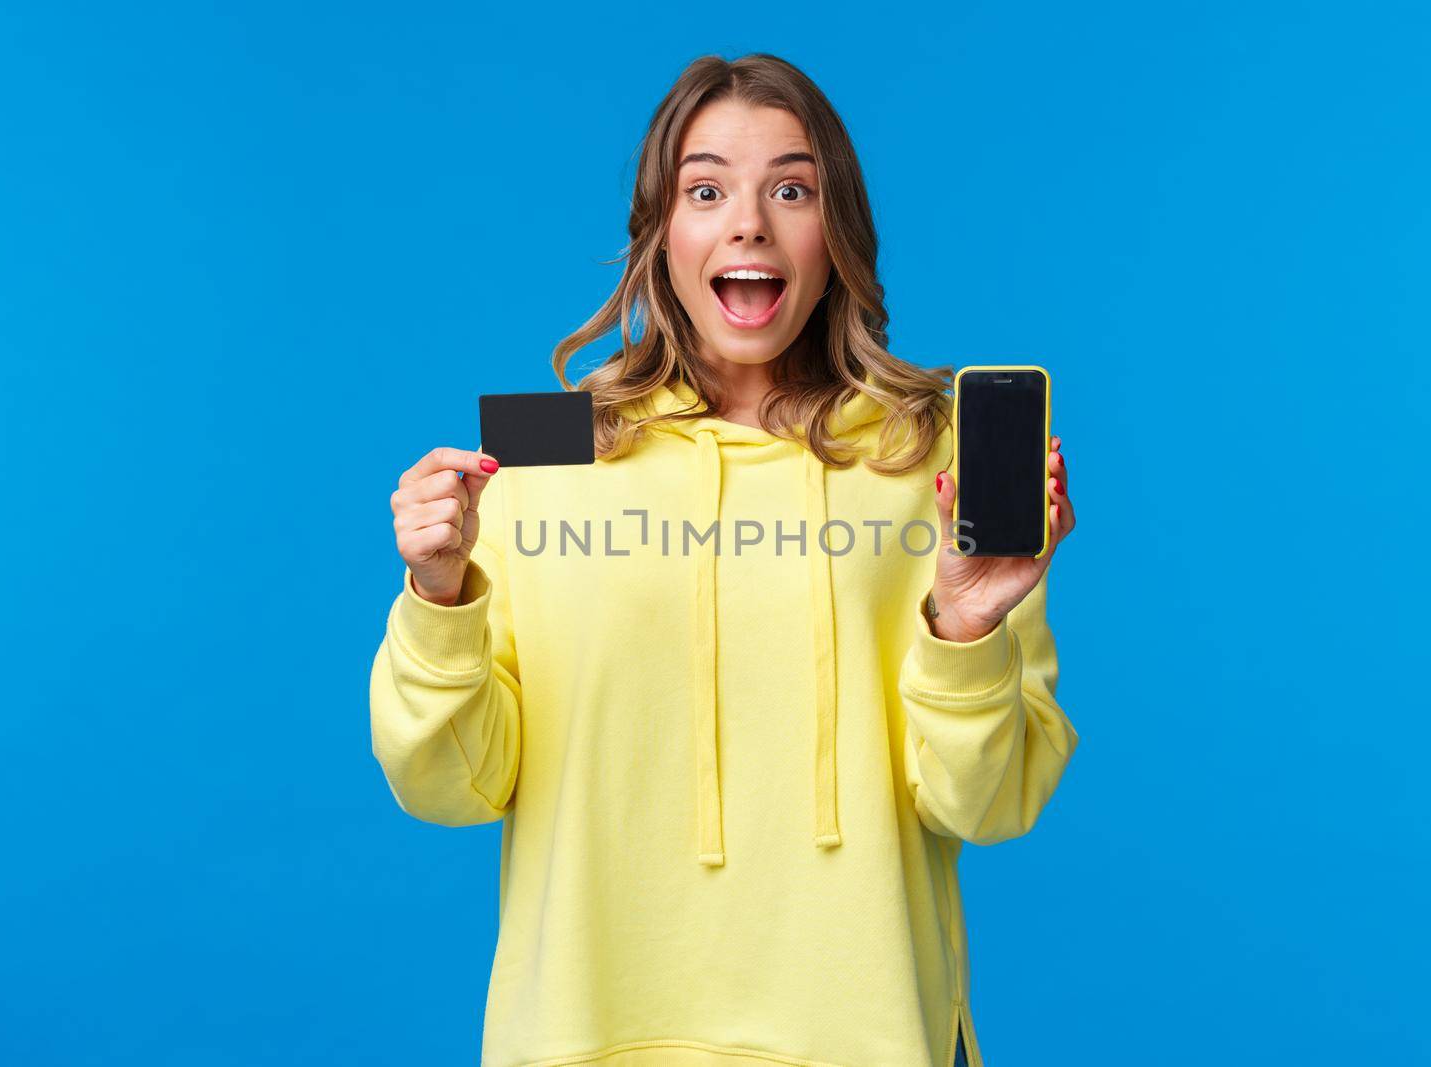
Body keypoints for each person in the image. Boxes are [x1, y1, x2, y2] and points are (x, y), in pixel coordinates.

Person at [370, 53, 1079, 1067]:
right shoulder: (545, 445)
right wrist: (439, 596)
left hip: (866, 1039)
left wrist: (965, 628)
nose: (748, 223)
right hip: (586, 1039)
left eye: (792, 190)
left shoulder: (935, 452)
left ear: (837, 235)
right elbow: (448, 787)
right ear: (662, 232)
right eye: (706, 190)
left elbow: (990, 802)